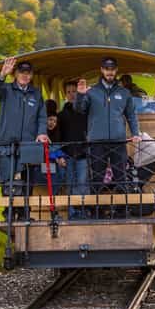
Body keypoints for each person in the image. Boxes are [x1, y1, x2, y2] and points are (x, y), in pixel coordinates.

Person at [75, 57, 141, 197]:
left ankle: (122, 212)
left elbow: (131, 115)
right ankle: (96, 213)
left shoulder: (124, 93)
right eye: (106, 69)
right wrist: (80, 95)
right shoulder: (91, 91)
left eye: (112, 69)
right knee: (97, 179)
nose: (109, 72)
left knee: (121, 178)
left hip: (118, 142)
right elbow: (79, 110)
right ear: (102, 70)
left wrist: (136, 133)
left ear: (116, 71)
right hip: (97, 142)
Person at [0, 58, 48, 217]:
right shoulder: (6, 90)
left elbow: (42, 117)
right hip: (7, 143)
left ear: (31, 76)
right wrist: (2, 74)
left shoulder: (36, 94)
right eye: (21, 72)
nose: (25, 76)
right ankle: (9, 212)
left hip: (28, 145)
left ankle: (24, 212)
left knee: (27, 180)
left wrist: (42, 132)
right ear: (15, 74)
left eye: (28, 73)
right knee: (8, 179)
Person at [58, 81, 90, 218]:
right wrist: (60, 154)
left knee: (83, 182)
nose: (72, 95)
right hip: (68, 153)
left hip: (83, 152)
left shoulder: (85, 112)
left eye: (74, 91)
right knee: (70, 182)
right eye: (69, 92)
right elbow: (59, 136)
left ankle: (83, 211)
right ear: (65, 95)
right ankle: (72, 213)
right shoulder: (61, 115)